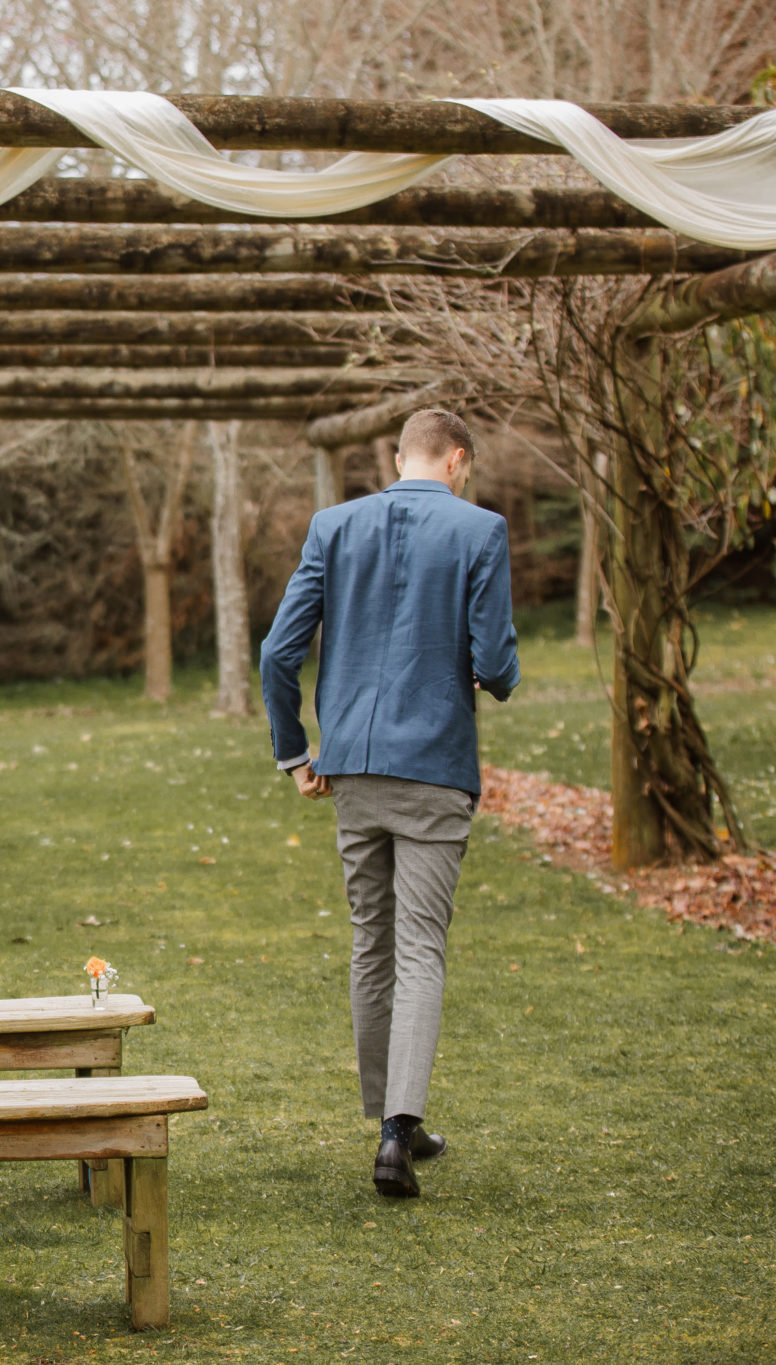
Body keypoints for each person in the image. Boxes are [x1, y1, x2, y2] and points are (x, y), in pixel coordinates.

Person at [258, 408, 521, 1199]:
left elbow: (278, 652)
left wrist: (293, 750)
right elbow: (496, 660)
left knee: (372, 942)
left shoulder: (333, 525)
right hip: (434, 766)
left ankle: (391, 1119)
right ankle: (397, 1131)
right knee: (420, 948)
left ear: (398, 455)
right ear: (459, 460)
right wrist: (492, 675)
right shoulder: (480, 530)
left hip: (353, 772)